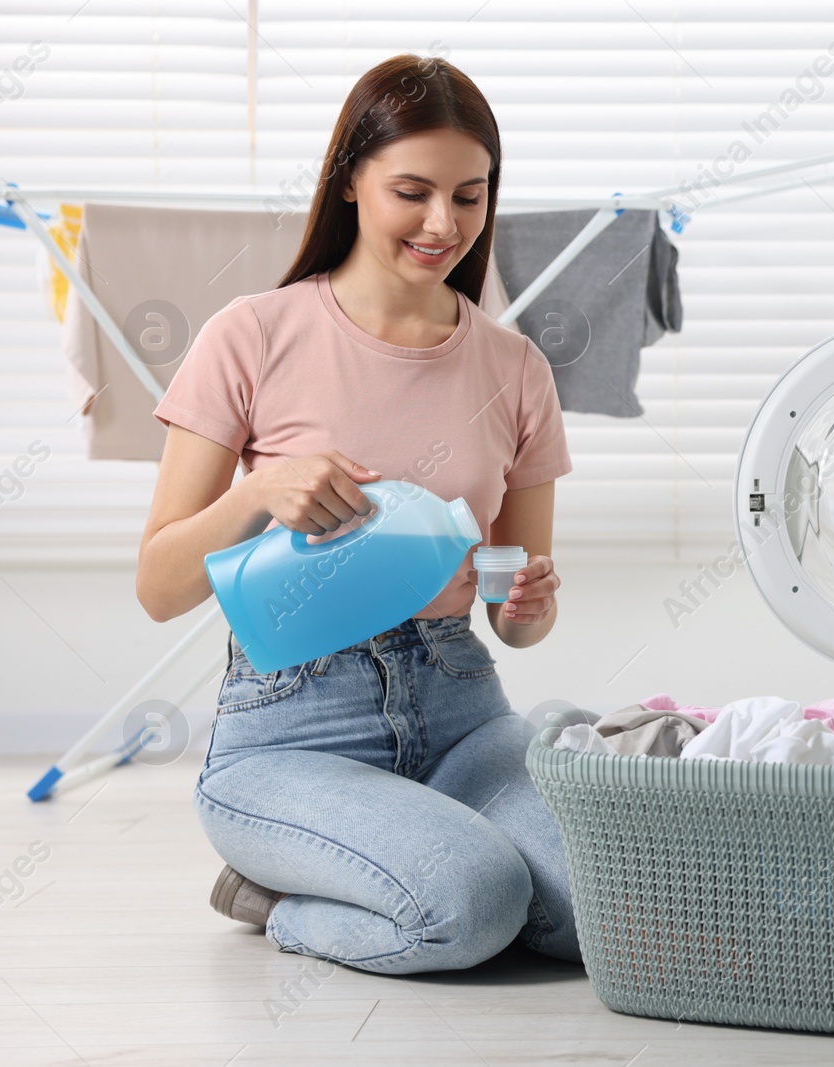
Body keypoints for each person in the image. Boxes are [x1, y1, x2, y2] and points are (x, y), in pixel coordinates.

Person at [135, 53, 581, 973]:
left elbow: (513, 612)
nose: (441, 223)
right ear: (349, 180)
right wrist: (259, 493)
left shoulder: (516, 368)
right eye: (411, 191)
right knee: (474, 901)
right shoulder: (252, 334)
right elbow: (157, 586)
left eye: (469, 195)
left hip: (463, 710)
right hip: (293, 726)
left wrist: (528, 607)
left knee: (597, 911)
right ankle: (279, 897)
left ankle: (398, 859)